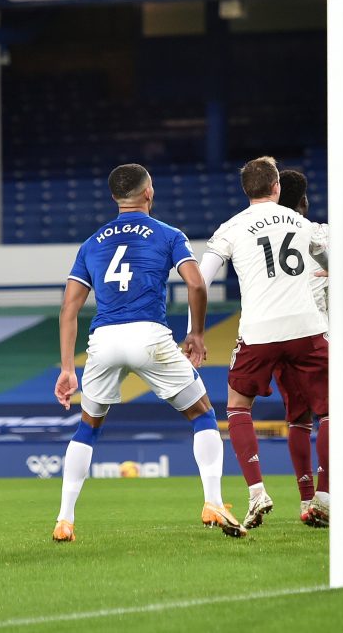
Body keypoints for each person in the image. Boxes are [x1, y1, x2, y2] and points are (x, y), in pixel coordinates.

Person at [52, 163, 244, 541]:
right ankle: (213, 501)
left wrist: (66, 369)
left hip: (103, 341)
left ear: (114, 198)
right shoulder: (168, 234)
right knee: (202, 413)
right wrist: (197, 334)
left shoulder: (91, 243)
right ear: (148, 193)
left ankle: (65, 518)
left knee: (87, 427)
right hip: (149, 336)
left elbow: (69, 309)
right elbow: (197, 285)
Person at [198, 157, 330, 530]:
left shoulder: (232, 227)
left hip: (258, 331)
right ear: (276, 187)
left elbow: (201, 280)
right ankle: (323, 496)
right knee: (330, 413)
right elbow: (335, 263)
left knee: (238, 406)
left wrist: (196, 330)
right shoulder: (302, 223)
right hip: (307, 327)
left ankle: (257, 492)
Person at [276, 169, 343, 526]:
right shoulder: (320, 232)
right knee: (335, 416)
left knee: (297, 421)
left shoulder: (256, 233)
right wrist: (340, 272)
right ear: (303, 201)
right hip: (318, 336)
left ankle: (306, 501)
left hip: (276, 335)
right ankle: (327, 496)